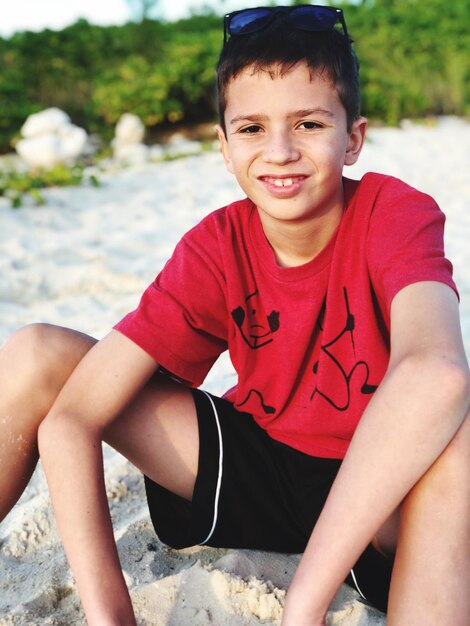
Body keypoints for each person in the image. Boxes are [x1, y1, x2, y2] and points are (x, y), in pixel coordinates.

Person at [1, 5, 469, 625]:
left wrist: (303, 604)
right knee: (37, 354)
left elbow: (438, 374)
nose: (279, 151)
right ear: (223, 147)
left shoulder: (395, 212)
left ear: (351, 138)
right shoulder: (217, 244)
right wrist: (111, 615)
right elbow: (72, 420)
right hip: (257, 466)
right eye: (251, 128)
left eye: (306, 123)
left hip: (377, 498)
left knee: (457, 431)